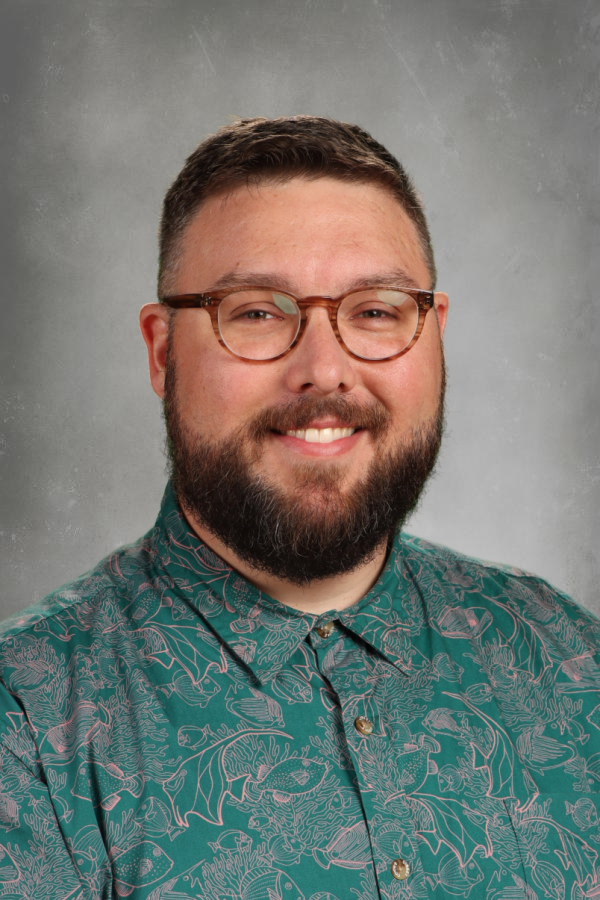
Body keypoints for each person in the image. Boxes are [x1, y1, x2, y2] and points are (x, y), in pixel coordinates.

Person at [1, 116, 599, 900]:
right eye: (257, 312)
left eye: (377, 312)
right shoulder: (28, 727)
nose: (324, 371)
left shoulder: (565, 656)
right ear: (161, 352)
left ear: (434, 336)